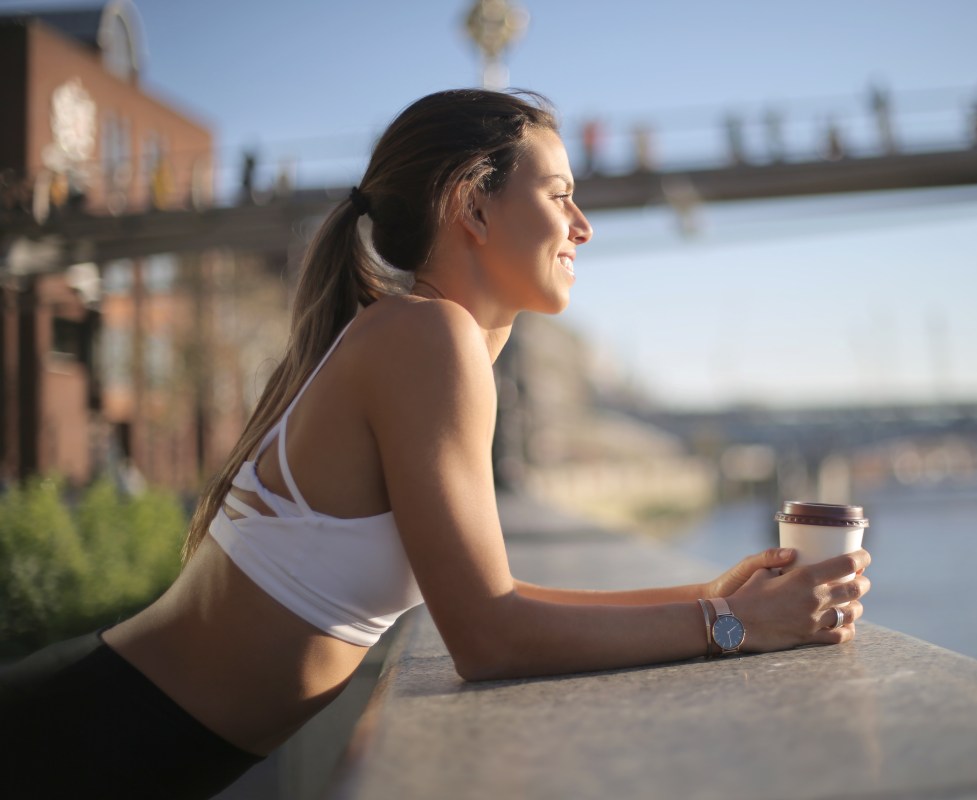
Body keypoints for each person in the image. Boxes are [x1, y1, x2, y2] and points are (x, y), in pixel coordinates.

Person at [0, 89, 870, 799]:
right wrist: (729, 628)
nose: (584, 225)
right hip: (79, 738)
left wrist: (711, 591)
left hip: (113, 730)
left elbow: (495, 595)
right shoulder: (429, 339)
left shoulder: (419, 338)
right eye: (561, 192)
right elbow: (488, 637)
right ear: (472, 206)